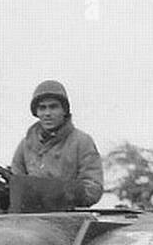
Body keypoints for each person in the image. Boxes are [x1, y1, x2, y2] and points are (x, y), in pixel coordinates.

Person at [9, 80, 103, 209]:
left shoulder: (82, 142)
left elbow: (93, 188)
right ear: (36, 112)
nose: (47, 113)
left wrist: (59, 191)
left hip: (68, 218)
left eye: (53, 107)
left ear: (64, 110)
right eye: (42, 108)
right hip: (30, 219)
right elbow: (16, 182)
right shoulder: (26, 145)